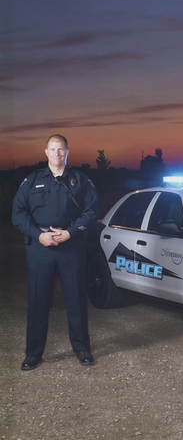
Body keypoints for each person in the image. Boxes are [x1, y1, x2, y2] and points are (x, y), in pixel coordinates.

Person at [11, 134, 99, 370]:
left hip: (71, 246)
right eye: (53, 149)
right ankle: (33, 354)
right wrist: (38, 235)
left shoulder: (80, 181)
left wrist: (71, 232)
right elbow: (18, 213)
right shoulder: (32, 181)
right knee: (38, 300)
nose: (57, 154)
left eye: (61, 149)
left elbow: (92, 211)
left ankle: (82, 349)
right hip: (41, 248)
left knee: (76, 299)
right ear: (46, 152)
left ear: (67, 152)